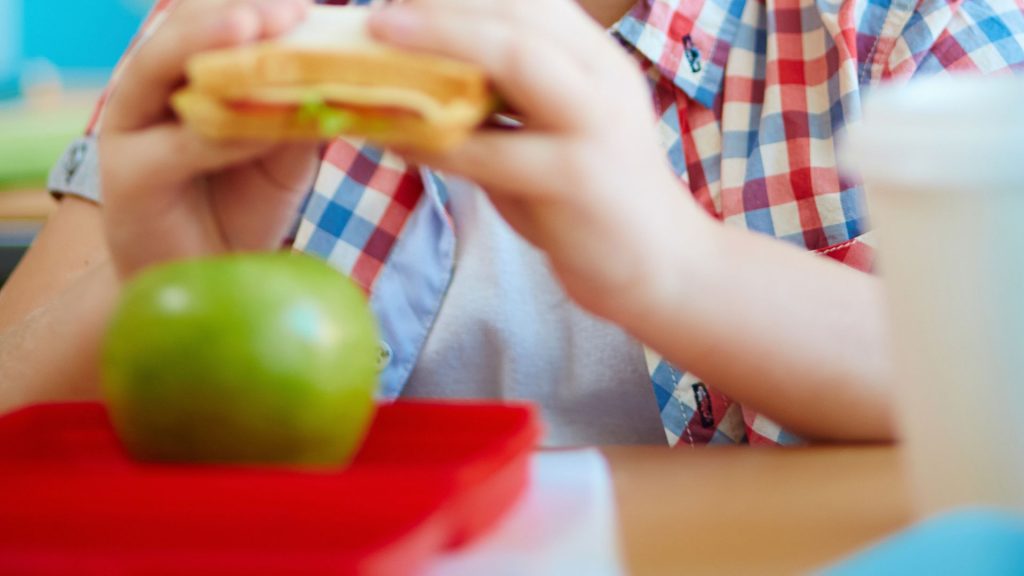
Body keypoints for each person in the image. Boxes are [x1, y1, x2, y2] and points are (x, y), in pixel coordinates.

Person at [1, 0, 1021, 446]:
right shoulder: (246, 29)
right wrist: (163, 289)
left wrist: (675, 266)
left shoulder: (903, 28)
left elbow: (992, 387)